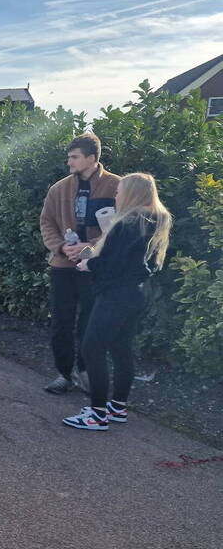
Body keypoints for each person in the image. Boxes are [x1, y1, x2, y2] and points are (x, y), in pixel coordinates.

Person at [62, 173, 173, 430]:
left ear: (132, 192)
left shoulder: (130, 222)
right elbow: (136, 262)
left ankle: (97, 414)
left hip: (116, 295)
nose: (116, 195)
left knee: (92, 349)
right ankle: (117, 407)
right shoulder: (155, 220)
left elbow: (113, 263)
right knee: (121, 349)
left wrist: (88, 263)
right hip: (137, 293)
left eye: (119, 191)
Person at [39, 133, 121, 395]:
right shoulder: (58, 189)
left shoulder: (117, 187)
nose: (69, 162)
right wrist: (62, 247)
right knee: (61, 324)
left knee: (91, 322)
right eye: (69, 157)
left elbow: (120, 229)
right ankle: (64, 374)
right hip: (63, 267)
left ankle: (86, 372)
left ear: (91, 158)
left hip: (96, 269)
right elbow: (46, 223)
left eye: (74, 157)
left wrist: (90, 248)